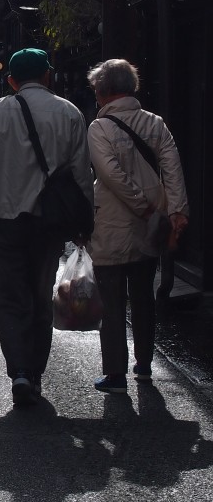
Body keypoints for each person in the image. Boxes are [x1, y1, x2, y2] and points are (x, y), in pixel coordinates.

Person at [0, 47, 93, 406]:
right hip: (49, 224)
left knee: (10, 296)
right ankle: (34, 371)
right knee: (40, 293)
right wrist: (83, 223)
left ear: (12, 80)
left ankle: (17, 371)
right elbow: (80, 173)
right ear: (48, 75)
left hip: (3, 221)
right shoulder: (70, 113)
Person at [86, 59, 189, 393]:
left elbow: (110, 175)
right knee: (143, 295)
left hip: (114, 222)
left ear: (102, 90)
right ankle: (144, 365)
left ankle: (115, 373)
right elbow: (172, 168)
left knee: (112, 299)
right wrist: (175, 211)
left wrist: (140, 206)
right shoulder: (155, 123)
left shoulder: (99, 128)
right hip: (152, 223)